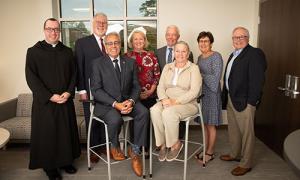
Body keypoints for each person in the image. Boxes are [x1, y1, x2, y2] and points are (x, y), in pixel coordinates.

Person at [25, 18, 81, 180]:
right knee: (48, 135)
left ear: (60, 31)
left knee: (65, 133)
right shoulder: (33, 51)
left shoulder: (67, 51)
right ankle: (49, 167)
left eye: (56, 29)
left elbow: (74, 75)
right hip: (45, 104)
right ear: (44, 30)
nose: (53, 32)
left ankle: (66, 161)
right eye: (50, 29)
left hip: (65, 100)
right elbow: (31, 78)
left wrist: (69, 92)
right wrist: (50, 96)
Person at [90, 32, 149, 177]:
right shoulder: (97, 64)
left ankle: (134, 151)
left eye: (116, 42)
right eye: (110, 43)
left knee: (144, 112)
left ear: (120, 44)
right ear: (105, 46)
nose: (113, 46)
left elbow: (136, 86)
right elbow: (96, 90)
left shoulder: (129, 62)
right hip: (106, 105)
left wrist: (131, 101)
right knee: (115, 119)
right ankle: (114, 146)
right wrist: (115, 104)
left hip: (127, 102)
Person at [220, 27, 267, 176]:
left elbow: (258, 80)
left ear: (248, 38)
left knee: (247, 134)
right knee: (233, 130)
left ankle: (246, 164)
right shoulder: (233, 54)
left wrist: (252, 102)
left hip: (245, 101)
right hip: (232, 99)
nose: (238, 40)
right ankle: (235, 154)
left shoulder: (255, 54)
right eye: (235, 37)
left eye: (242, 37)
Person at [150, 41, 202, 162]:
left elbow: (194, 91)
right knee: (154, 110)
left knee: (168, 113)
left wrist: (175, 101)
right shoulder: (168, 67)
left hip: (187, 103)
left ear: (188, 53)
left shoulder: (194, 68)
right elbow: (160, 86)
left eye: (183, 51)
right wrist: (163, 99)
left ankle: (175, 144)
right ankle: (162, 144)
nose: (180, 54)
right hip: (167, 100)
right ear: (173, 53)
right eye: (177, 51)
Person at [75, 12, 108, 163]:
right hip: (89, 90)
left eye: (104, 23)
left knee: (106, 119)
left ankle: (104, 147)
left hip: (108, 91)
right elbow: (79, 68)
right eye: (98, 22)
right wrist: (82, 90)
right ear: (93, 24)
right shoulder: (82, 43)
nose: (101, 25)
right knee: (92, 120)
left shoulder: (111, 42)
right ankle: (94, 150)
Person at [125, 27, 161, 156]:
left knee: (147, 118)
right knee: (135, 119)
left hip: (150, 95)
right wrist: (137, 94)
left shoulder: (151, 55)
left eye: (141, 39)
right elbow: (124, 78)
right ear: (131, 41)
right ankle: (135, 146)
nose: (138, 41)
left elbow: (157, 75)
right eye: (136, 39)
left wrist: (150, 91)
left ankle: (145, 146)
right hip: (133, 96)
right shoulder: (126, 56)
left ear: (144, 41)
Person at [155, 25, 193, 140]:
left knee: (175, 116)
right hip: (163, 92)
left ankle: (178, 140)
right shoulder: (158, 52)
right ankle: (164, 141)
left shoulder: (187, 53)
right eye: (168, 34)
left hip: (180, 96)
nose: (170, 37)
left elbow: (189, 76)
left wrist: (176, 100)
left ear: (178, 36)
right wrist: (163, 96)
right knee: (158, 112)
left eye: (174, 34)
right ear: (165, 36)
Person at [195, 31, 223, 164]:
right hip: (203, 95)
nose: (203, 43)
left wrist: (200, 74)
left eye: (206, 41)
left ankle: (210, 152)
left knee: (211, 125)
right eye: (201, 41)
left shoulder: (216, 56)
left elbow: (215, 80)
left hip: (212, 94)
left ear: (211, 43)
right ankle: (205, 148)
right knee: (204, 124)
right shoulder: (200, 58)